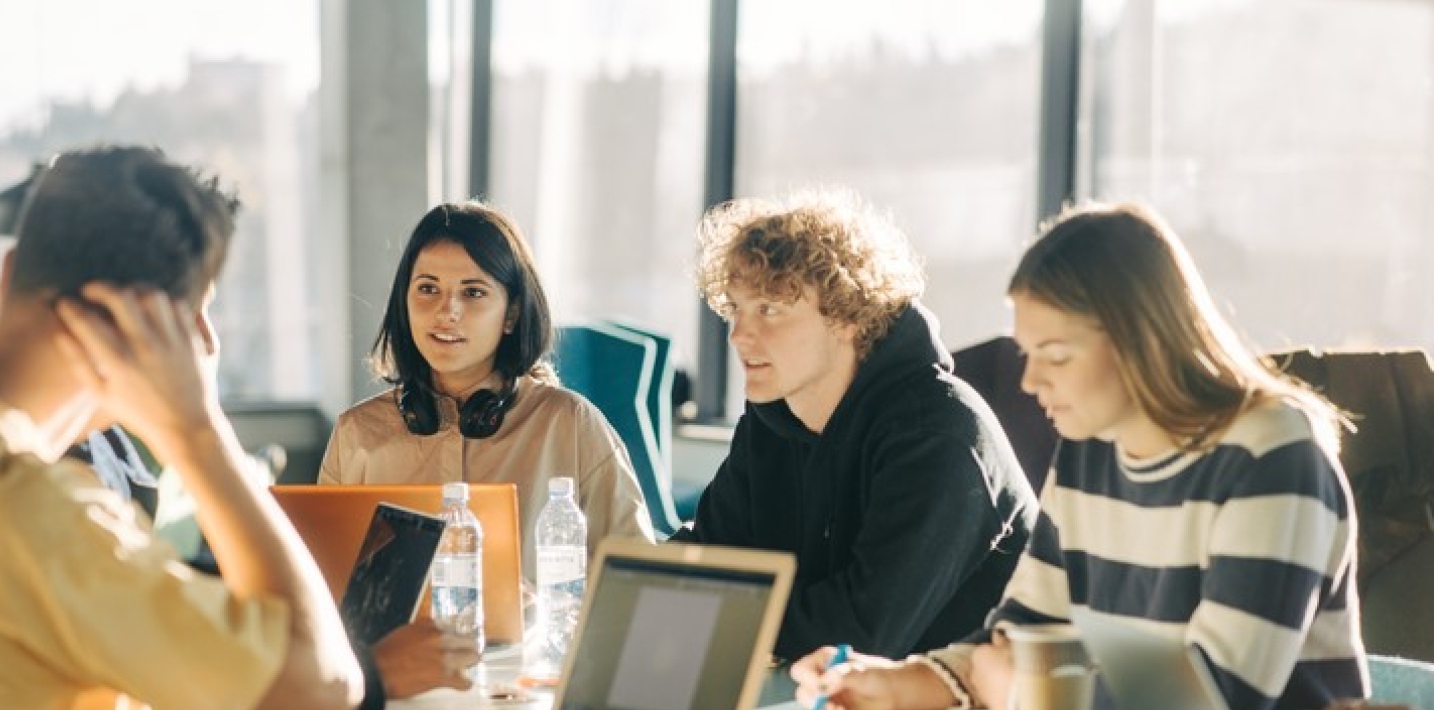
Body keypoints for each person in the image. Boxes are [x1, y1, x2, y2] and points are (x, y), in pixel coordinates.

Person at [793, 202, 1368, 710]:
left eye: (1056, 355)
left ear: (1139, 341)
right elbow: (1024, 635)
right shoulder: (1091, 451)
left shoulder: (1272, 456)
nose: (1031, 380)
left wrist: (1022, 693)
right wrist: (898, 682)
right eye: (1028, 352)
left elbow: (1220, 695)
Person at [0, 146, 471, 710]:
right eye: (198, 316)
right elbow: (324, 687)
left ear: (8, 275)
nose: (208, 343)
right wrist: (196, 428)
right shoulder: (37, 513)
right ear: (146, 332)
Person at [668, 189, 1038, 662]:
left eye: (769, 310)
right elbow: (704, 558)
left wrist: (701, 612)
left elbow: (861, 633)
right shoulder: (772, 421)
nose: (739, 334)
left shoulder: (939, 435)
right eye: (735, 309)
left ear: (845, 316)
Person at [319, 201, 656, 577]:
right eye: (428, 288)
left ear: (511, 313)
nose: (447, 311)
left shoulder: (569, 426)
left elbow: (636, 578)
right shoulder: (357, 433)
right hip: (394, 638)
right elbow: (323, 584)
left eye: (473, 292)